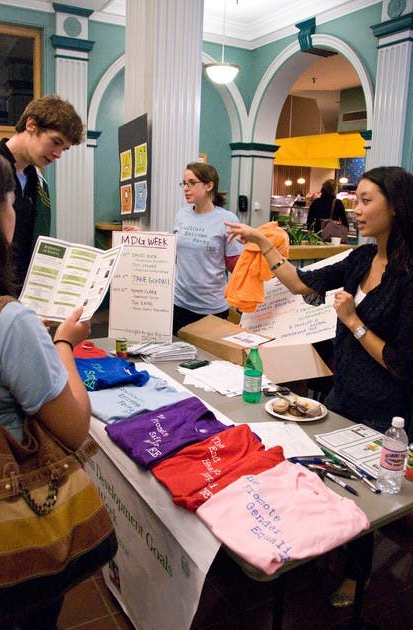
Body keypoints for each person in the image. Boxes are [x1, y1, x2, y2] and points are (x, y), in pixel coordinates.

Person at [226, 165, 413, 608]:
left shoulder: (408, 277)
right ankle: (328, 549)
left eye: (367, 200)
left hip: (385, 413)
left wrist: (352, 321)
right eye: (358, 199)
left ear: (397, 206)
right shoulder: (363, 259)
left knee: (366, 500)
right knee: (328, 481)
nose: (357, 209)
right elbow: (298, 284)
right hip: (343, 395)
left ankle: (355, 575)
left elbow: (401, 363)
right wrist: (262, 242)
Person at [0, 140, 92, 627]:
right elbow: (74, 427)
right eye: (8, 201)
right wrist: (63, 344)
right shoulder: (5, 322)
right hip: (0, 536)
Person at [0, 94, 84, 291]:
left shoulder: (38, 182)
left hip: (23, 293)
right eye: (55, 141)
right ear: (31, 125)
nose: (58, 154)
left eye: (64, 149)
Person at [172, 161, 243, 334]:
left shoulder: (227, 219)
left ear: (209, 185)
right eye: (184, 183)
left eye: (192, 183)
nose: (186, 188)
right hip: (179, 303)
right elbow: (171, 252)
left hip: (211, 307)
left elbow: (236, 265)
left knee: (208, 359)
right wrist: (142, 236)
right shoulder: (181, 215)